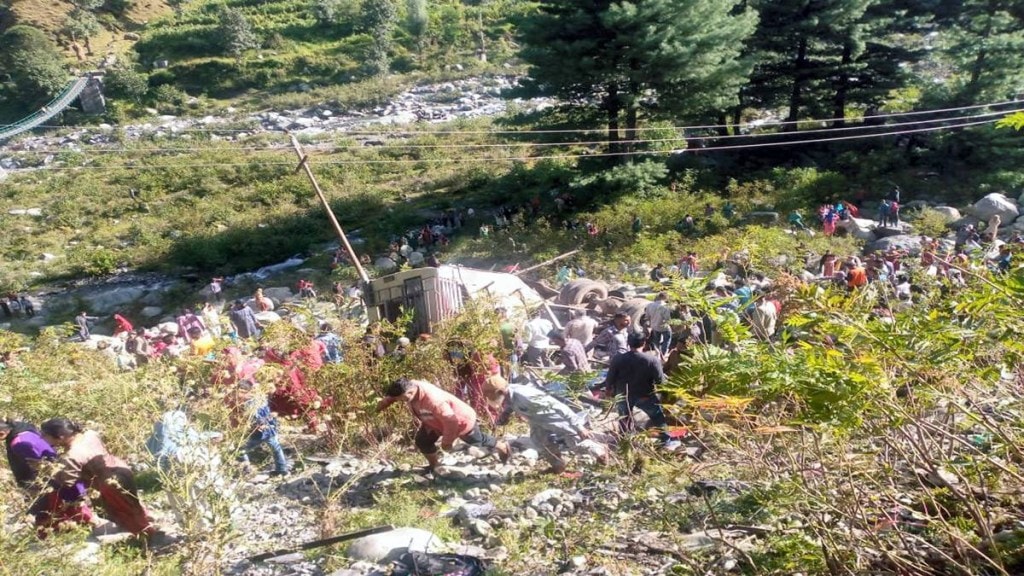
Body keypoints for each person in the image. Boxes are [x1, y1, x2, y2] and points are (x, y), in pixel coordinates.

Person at [40, 418, 155, 537]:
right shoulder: (90, 434)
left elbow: (68, 481)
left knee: (123, 511)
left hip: (107, 483)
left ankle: (148, 536)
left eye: (45, 435)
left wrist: (49, 471)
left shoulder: (73, 454)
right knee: (131, 502)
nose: (42, 438)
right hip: (120, 468)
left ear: (61, 436)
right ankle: (146, 519)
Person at [376, 378, 509, 472]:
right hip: (433, 421)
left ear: (410, 393)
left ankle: (502, 446)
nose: (400, 401)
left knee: (477, 440)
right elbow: (397, 394)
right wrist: (385, 402)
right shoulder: (410, 386)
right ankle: (435, 466)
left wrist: (447, 442)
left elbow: (451, 421)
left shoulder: (433, 400)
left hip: (460, 419)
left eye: (402, 399)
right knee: (422, 441)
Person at [483, 375, 607, 474]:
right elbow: (510, 404)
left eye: (493, 396)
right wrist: (505, 415)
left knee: (576, 444)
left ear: (500, 391)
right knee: (540, 443)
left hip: (554, 418)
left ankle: (601, 453)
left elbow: (559, 406)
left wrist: (578, 426)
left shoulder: (525, 395)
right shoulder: (509, 395)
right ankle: (558, 467)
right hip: (536, 421)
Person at [1, 420, 93, 534]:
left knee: (51, 519)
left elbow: (38, 469)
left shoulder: (19, 443)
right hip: (63, 477)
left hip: (52, 483)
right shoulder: (26, 431)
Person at [603, 332, 670, 442]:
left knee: (624, 420)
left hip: (623, 395)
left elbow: (610, 378)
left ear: (628, 343)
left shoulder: (618, 358)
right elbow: (660, 381)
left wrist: (608, 390)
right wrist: (665, 395)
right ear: (644, 343)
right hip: (645, 396)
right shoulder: (652, 360)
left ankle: (627, 442)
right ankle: (666, 440)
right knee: (657, 417)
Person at [234, 382, 291, 475]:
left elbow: (256, 417)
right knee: (276, 448)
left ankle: (246, 470)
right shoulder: (260, 399)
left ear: (247, 392)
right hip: (269, 429)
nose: (239, 395)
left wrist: (258, 424)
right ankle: (282, 470)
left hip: (259, 431)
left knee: (241, 450)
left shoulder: (250, 403)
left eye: (241, 392)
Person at [644, 292, 673, 358]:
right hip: (664, 327)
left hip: (654, 326)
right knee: (667, 340)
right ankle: (663, 353)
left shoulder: (649, 305)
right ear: (664, 297)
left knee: (656, 341)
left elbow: (647, 317)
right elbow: (667, 319)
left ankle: (657, 354)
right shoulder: (665, 306)